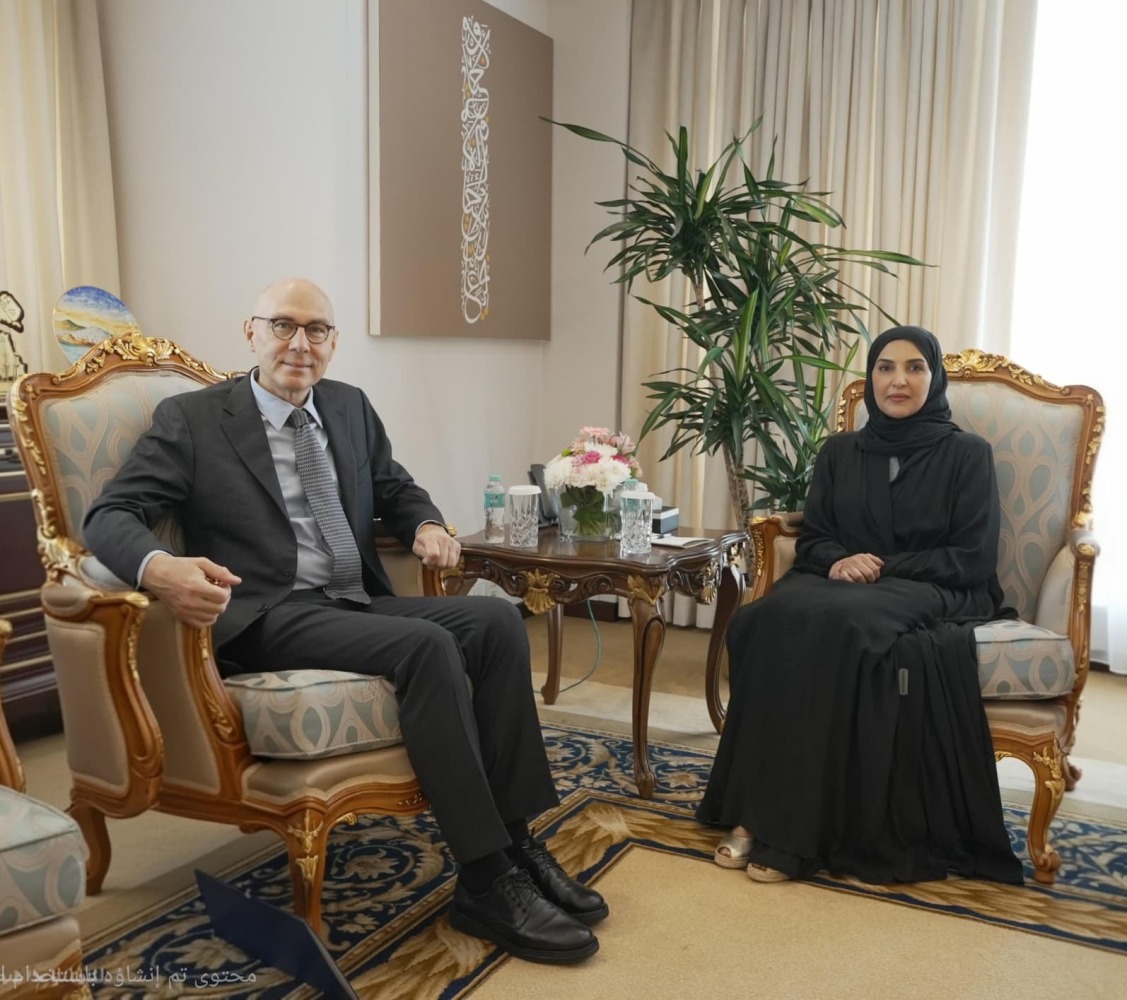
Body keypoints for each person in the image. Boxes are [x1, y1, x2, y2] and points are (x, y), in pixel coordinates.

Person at [83, 277, 607, 963]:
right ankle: (484, 880)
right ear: (251, 331)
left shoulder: (348, 406)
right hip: (267, 612)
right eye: (283, 326)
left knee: (497, 623)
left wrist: (422, 523)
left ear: (333, 342)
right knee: (425, 647)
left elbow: (394, 486)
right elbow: (108, 517)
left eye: (317, 330)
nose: (299, 344)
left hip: (350, 598)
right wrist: (162, 568)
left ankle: (516, 842)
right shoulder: (194, 420)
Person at [697, 326, 1023, 886]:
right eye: (885, 368)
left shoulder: (967, 454)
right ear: (870, 379)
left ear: (934, 376)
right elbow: (818, 536)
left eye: (915, 367)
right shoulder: (841, 451)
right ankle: (755, 805)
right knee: (764, 618)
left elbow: (971, 555)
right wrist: (838, 563)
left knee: (843, 624)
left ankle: (784, 834)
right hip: (844, 581)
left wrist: (876, 567)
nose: (899, 380)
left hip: (938, 585)